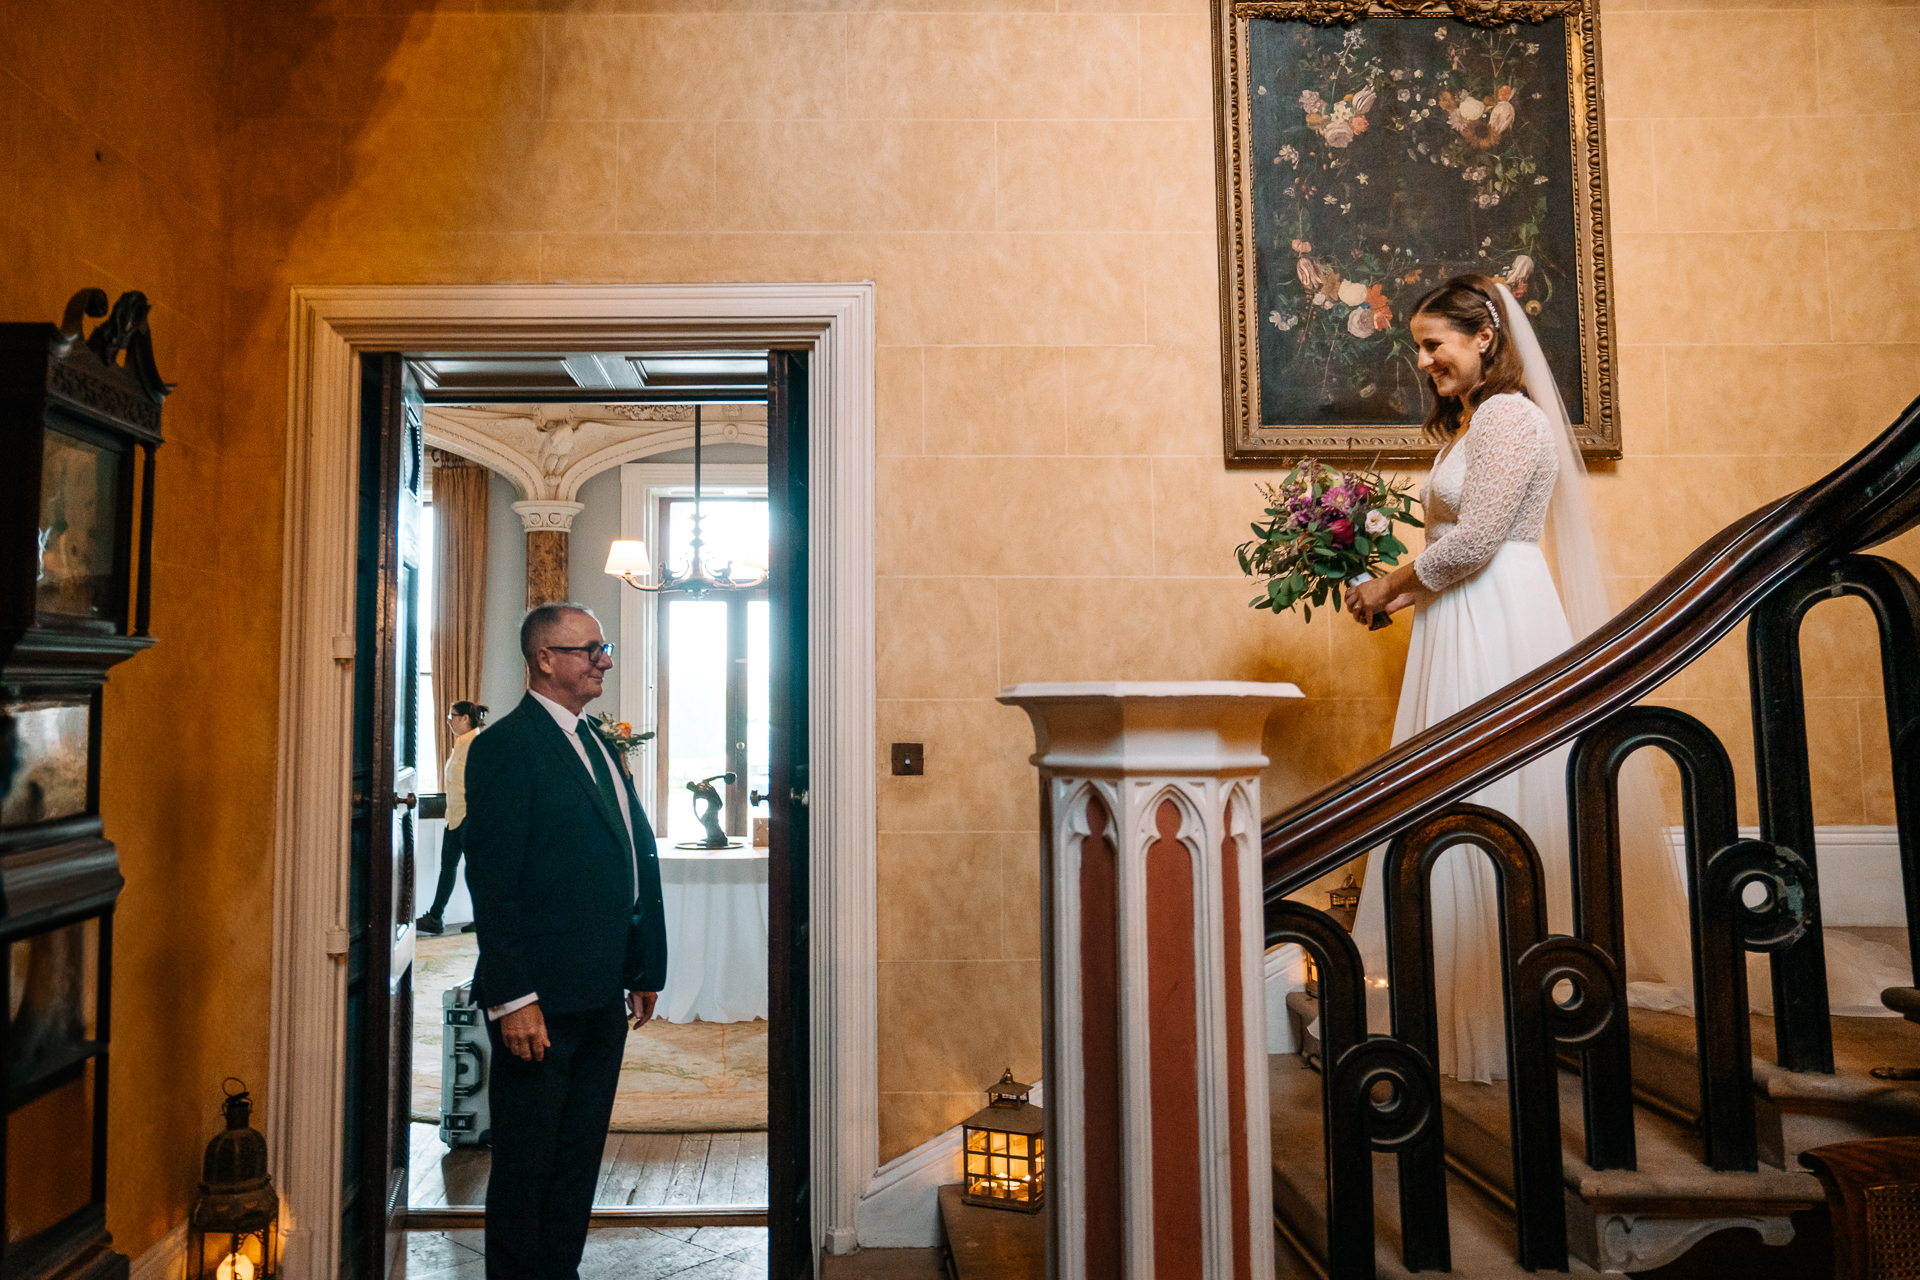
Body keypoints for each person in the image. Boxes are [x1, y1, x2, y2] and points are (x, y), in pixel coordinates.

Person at [1343, 273, 1696, 1083]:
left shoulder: (1508, 415)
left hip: (1498, 616)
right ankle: (1462, 991)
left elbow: (1479, 541)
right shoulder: (1472, 423)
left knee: (1491, 793)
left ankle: (1504, 1005)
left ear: (1485, 339)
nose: (1425, 360)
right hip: (1462, 614)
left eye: (1435, 344)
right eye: (1419, 348)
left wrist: (1387, 585)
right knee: (1457, 792)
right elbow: (1461, 545)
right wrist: (1401, 600)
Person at [463, 602, 667, 1278]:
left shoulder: (599, 741)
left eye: (603, 648)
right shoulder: (504, 748)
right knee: (528, 1162)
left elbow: (633, 856)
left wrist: (644, 966)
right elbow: (495, 884)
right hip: (539, 1003)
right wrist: (513, 996)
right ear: (546, 658)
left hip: (601, 992)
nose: (603, 659)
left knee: (578, 1158)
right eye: (590, 649)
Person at [418, 700, 487, 936]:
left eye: (452, 716)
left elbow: (483, 785)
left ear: (465, 719)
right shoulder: (460, 744)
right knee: (448, 867)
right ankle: (435, 917)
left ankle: (483, 919)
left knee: (475, 871)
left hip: (470, 817)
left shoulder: (477, 744)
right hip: (454, 815)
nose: (449, 721)